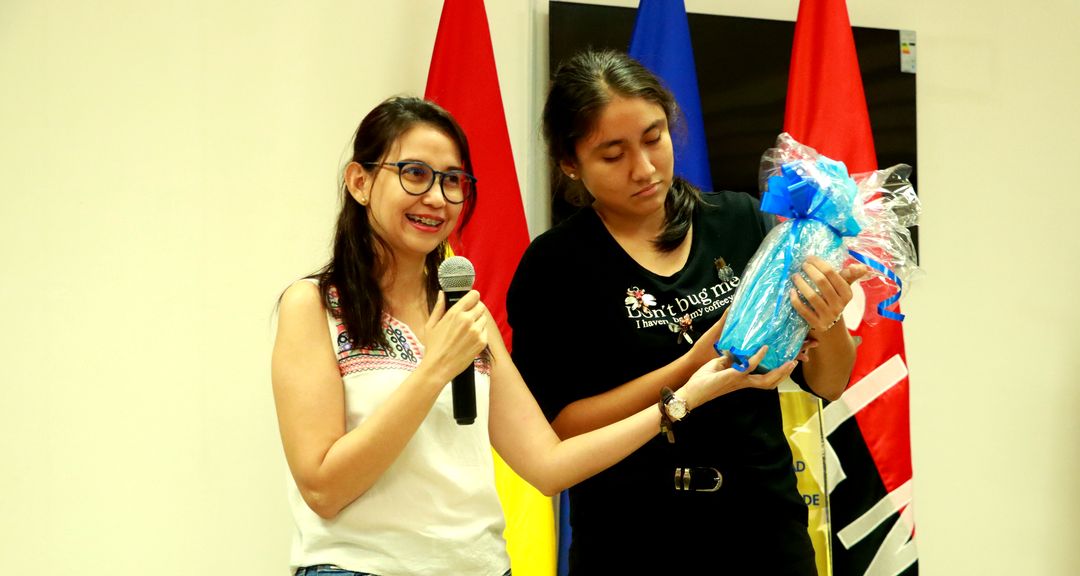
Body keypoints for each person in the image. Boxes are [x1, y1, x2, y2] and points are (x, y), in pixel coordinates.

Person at [271, 96, 790, 576]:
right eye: (415, 174)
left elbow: (549, 465)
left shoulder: (468, 315)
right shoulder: (314, 306)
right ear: (359, 182)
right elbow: (323, 488)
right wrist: (433, 371)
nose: (436, 198)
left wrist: (684, 398)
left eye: (452, 181)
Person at [506, 49, 865, 574]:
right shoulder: (555, 266)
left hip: (763, 525)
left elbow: (828, 383)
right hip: (630, 535)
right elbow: (558, 428)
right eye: (613, 155)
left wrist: (827, 320)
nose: (644, 168)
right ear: (570, 163)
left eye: (654, 138)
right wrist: (690, 367)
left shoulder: (741, 220)